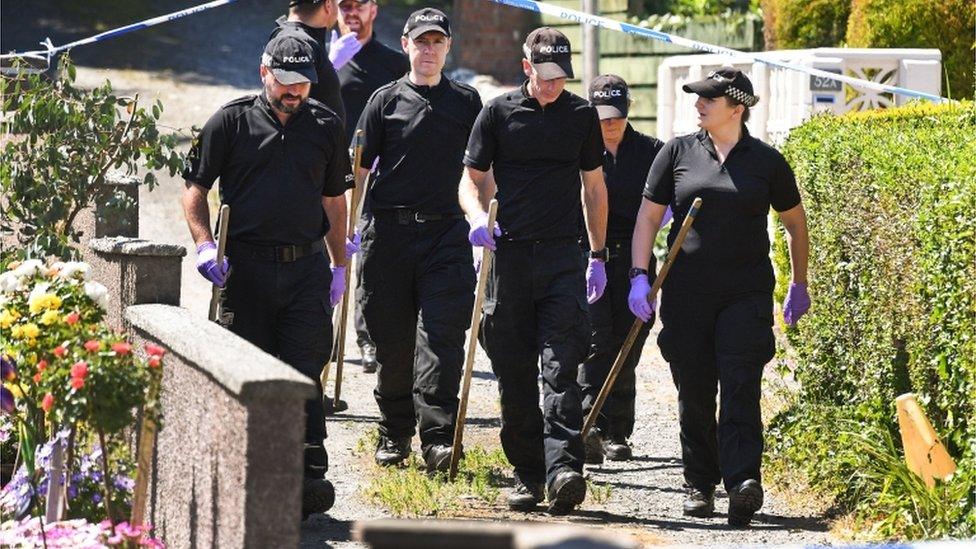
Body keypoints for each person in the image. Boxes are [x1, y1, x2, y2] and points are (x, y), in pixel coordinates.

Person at [628, 68, 810, 527]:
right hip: (687, 293)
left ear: (737, 106)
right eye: (697, 97)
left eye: (708, 98)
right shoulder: (677, 153)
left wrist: (799, 283)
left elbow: (795, 224)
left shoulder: (767, 162)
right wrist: (638, 275)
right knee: (693, 390)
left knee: (740, 386)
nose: (698, 104)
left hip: (745, 293)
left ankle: (743, 481)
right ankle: (699, 484)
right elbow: (647, 219)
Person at [181, 35, 353, 520]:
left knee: (303, 367)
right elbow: (194, 190)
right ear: (264, 73)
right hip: (245, 269)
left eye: (303, 83)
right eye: (286, 82)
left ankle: (308, 472)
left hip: (305, 269)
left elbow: (333, 201)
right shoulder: (230, 122)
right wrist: (204, 244)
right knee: (248, 370)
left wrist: (340, 265)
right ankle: (248, 471)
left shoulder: (325, 125)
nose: (294, 92)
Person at [460, 27, 609, 516]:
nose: (551, 86)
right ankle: (528, 474)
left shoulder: (581, 116)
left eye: (560, 78)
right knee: (514, 372)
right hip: (510, 259)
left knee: (561, 368)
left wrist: (597, 254)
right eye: (544, 77)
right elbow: (471, 179)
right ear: (526, 67)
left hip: (563, 257)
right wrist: (477, 219)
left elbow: (593, 188)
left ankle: (564, 470)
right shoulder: (498, 113)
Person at [353, 8, 483, 472]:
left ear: (448, 47)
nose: (429, 50)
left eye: (437, 42)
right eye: (421, 41)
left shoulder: (468, 103)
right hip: (388, 235)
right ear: (406, 44)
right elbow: (360, 172)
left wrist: (483, 219)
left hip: (446, 236)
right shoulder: (384, 101)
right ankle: (394, 433)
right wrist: (349, 231)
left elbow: (481, 171)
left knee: (441, 340)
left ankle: (438, 439)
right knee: (393, 343)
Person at [578, 75, 664, 465]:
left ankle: (618, 432)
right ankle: (588, 424)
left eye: (616, 116)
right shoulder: (580, 149)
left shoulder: (652, 152)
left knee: (628, 344)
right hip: (592, 258)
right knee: (595, 342)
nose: (609, 124)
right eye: (602, 116)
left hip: (637, 261)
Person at [336, 0, 410, 373]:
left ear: (373, 9)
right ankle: (323, 336)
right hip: (325, 171)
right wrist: (326, 66)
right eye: (343, 5)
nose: (352, 12)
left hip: (372, 172)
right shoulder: (322, 60)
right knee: (320, 256)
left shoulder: (393, 63)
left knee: (364, 255)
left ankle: (367, 340)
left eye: (359, 5)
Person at [271, 0, 362, 127]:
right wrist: (331, 66)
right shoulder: (295, 44)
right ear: (328, 5)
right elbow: (288, 106)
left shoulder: (301, 40)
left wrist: (328, 66)